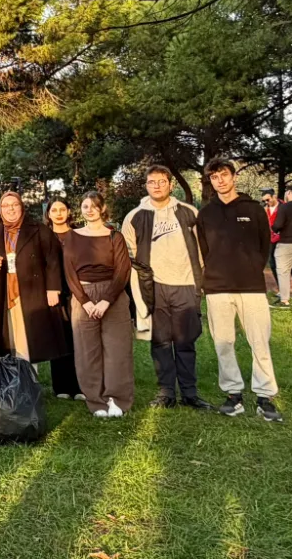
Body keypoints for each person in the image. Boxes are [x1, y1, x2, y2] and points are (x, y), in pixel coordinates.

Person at [198, 158, 283, 422]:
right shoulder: (206, 213)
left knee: (259, 342)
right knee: (224, 343)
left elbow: (263, 244)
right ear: (210, 181)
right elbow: (203, 249)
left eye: (224, 174)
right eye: (214, 177)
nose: (220, 180)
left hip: (251, 287)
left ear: (233, 177)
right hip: (217, 288)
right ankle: (233, 395)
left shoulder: (253, 209)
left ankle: (264, 396)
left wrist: (252, 267)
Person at [122, 166, 213, 411]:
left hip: (185, 284)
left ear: (170, 184)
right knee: (160, 341)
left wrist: (200, 282)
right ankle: (166, 393)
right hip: (155, 288)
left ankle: (190, 393)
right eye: (152, 182)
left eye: (162, 181)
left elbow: (203, 250)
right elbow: (128, 254)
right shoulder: (135, 216)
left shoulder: (188, 212)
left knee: (185, 341)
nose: (157, 186)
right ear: (146, 186)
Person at [62, 191, 133, 418]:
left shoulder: (115, 237)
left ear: (102, 209)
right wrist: (84, 301)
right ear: (80, 210)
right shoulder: (72, 237)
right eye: (85, 206)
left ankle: (117, 398)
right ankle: (96, 400)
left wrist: (105, 300)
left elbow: (123, 271)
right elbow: (69, 272)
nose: (90, 210)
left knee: (117, 349)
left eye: (94, 206)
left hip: (112, 294)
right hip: (83, 295)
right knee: (86, 351)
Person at [0, 192, 72, 378]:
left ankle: (29, 380)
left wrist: (53, 288)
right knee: (9, 337)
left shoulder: (39, 229)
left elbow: (52, 259)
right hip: (5, 292)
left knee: (28, 338)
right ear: (0, 210)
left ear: (22, 207)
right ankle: (12, 380)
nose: (10, 209)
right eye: (6, 206)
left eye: (15, 205)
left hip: (30, 292)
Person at [43, 198, 84, 400]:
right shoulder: (43, 236)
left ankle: (79, 386)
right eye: (54, 210)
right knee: (58, 337)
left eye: (62, 209)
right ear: (48, 214)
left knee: (78, 337)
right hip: (52, 294)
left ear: (69, 212)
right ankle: (61, 386)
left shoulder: (79, 235)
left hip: (76, 292)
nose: (58, 213)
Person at [261, 189, 292, 294]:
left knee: (290, 264)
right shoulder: (265, 209)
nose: (266, 202)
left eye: (268, 200)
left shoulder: (285, 207)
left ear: (274, 196)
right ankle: (282, 288)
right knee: (272, 263)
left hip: (285, 239)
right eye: (264, 201)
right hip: (271, 240)